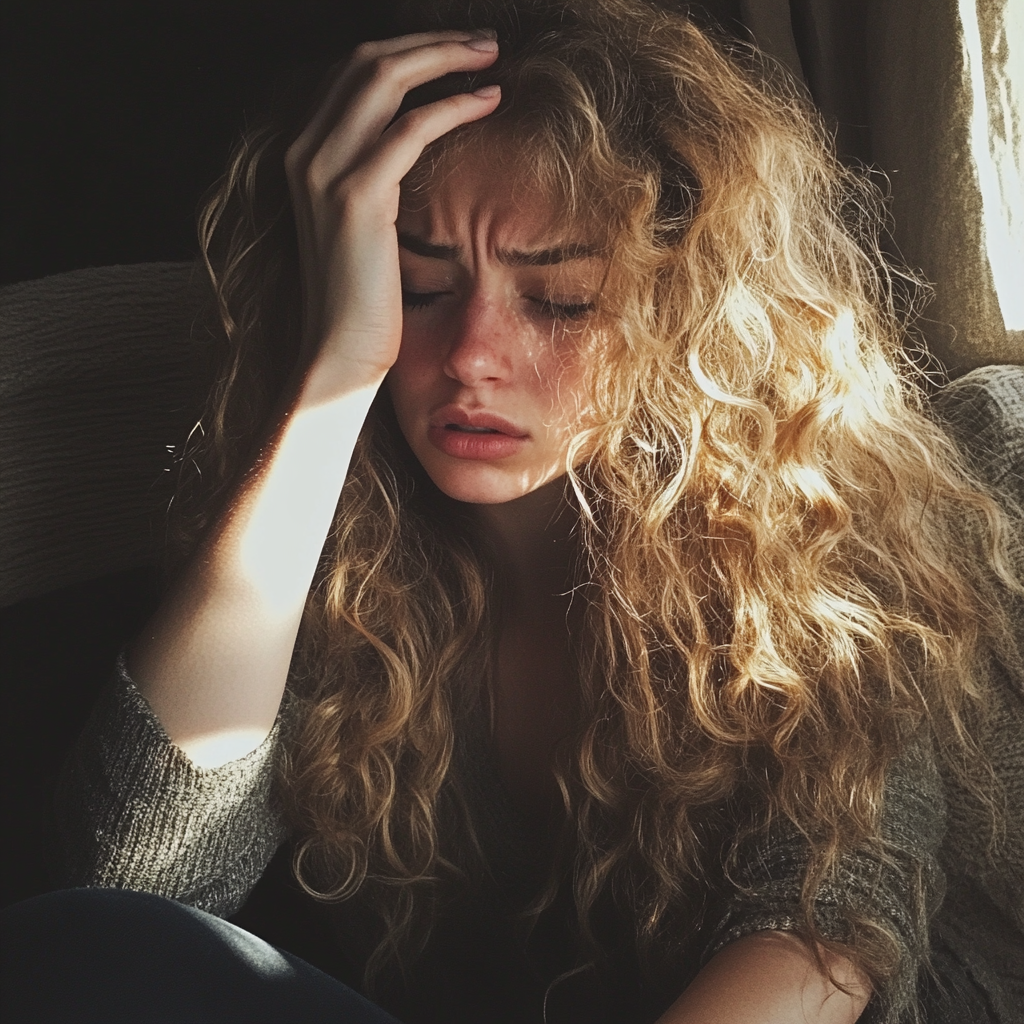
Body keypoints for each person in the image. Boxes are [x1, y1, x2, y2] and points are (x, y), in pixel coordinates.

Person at [3, 1, 1022, 1022]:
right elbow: (124, 889)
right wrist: (335, 375)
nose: (474, 355)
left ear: (684, 314)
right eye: (420, 284)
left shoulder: (818, 541)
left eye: (561, 300)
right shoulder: (353, 556)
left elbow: (820, 937)